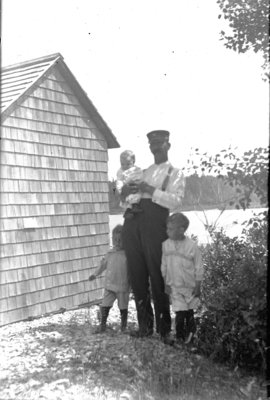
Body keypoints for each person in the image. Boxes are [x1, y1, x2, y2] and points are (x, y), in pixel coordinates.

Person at [121, 130, 185, 342]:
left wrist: (150, 189)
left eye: (159, 142)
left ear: (168, 144)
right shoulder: (144, 171)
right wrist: (123, 194)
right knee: (137, 276)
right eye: (152, 143)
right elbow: (126, 199)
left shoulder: (174, 172)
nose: (155, 146)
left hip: (155, 226)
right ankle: (145, 327)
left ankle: (165, 330)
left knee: (158, 278)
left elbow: (175, 202)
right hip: (132, 223)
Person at [161, 213, 203, 344]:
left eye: (171, 229)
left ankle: (191, 338)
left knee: (189, 313)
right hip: (175, 287)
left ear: (182, 229)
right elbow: (164, 266)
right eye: (167, 228)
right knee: (179, 313)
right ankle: (179, 337)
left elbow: (199, 267)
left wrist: (198, 286)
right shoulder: (166, 245)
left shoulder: (191, 246)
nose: (167, 231)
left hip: (190, 288)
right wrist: (165, 283)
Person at [89, 224, 130, 333]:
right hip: (110, 285)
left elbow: (132, 271)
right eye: (115, 240)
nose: (117, 242)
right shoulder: (110, 254)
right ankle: (102, 324)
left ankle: (124, 326)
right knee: (105, 305)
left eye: (120, 240)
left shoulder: (128, 255)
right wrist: (95, 274)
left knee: (123, 307)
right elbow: (102, 265)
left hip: (123, 286)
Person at [116, 150, 144, 219]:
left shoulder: (137, 169)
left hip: (136, 186)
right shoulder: (120, 171)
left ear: (133, 162)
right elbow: (119, 181)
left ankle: (132, 209)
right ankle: (130, 210)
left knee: (139, 195)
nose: (125, 166)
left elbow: (142, 176)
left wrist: (139, 182)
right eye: (122, 164)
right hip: (127, 187)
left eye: (128, 164)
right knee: (130, 198)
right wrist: (120, 189)